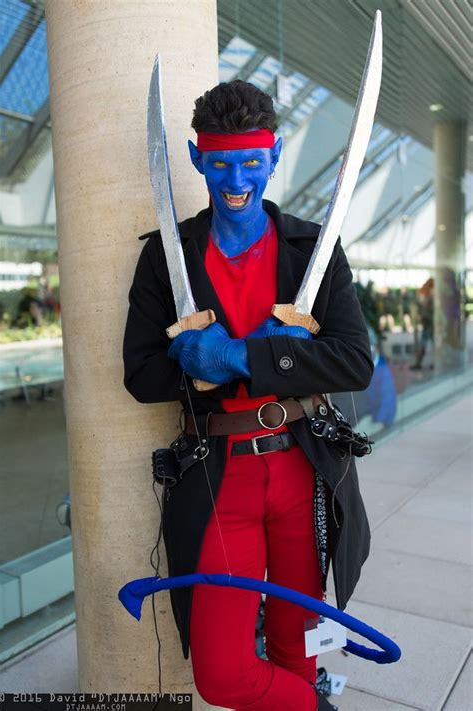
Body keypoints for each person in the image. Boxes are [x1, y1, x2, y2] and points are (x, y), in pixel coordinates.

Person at [123, 80, 374, 711]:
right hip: (217, 475)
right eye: (221, 162)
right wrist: (194, 360)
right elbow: (141, 375)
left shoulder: (311, 248)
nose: (237, 179)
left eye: (252, 162)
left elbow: (352, 361)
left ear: (277, 153)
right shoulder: (167, 254)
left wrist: (237, 355)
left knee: (297, 648)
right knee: (225, 676)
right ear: (196, 156)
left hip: (304, 470)